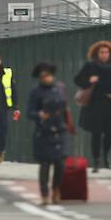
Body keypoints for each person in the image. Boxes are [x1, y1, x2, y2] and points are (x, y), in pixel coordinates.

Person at [74, 41, 111, 173]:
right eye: (101, 52)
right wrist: (89, 81)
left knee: (110, 132)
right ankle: (97, 161)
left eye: (107, 52)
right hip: (95, 104)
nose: (104, 54)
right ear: (96, 54)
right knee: (96, 133)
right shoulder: (90, 66)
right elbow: (78, 80)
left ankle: (106, 156)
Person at [27, 62, 69, 205]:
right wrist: (39, 114)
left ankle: (56, 189)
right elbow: (29, 112)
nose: (46, 78)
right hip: (43, 131)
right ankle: (44, 193)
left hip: (59, 129)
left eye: (48, 75)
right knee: (44, 164)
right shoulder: (36, 92)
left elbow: (65, 107)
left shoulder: (59, 89)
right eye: (43, 76)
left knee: (60, 164)